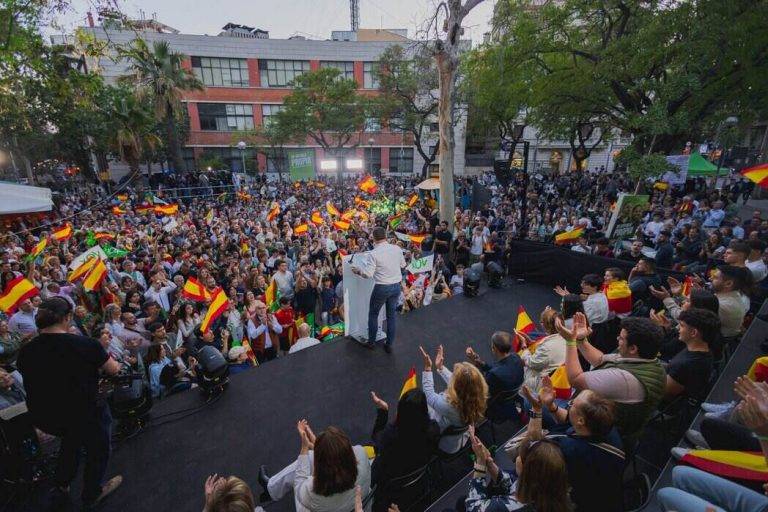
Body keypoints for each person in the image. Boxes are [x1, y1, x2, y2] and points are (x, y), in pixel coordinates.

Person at [16, 297, 123, 509]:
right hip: (85, 413)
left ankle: (62, 485)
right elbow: (113, 369)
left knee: (71, 442)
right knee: (98, 450)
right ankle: (92, 493)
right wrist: (100, 350)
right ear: (67, 318)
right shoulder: (86, 344)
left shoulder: (26, 350)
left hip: (47, 417)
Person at [557, 313, 666, 443]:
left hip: (605, 436)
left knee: (538, 401)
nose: (617, 338)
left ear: (633, 348)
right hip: (609, 422)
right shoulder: (646, 359)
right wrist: (581, 339)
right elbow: (600, 360)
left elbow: (575, 380)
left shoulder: (626, 380)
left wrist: (570, 342)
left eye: (621, 338)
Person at [523, 377, 624, 512]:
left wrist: (536, 408)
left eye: (571, 404)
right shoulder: (605, 425)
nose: (569, 405)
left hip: (576, 501)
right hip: (606, 489)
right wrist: (552, 406)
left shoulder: (566, 449)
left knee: (520, 463)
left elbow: (531, 447)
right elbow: (570, 420)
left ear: (581, 421)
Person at [257, 421, 371, 512]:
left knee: (306, 460)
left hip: (326, 505)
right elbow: (342, 454)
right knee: (311, 457)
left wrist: (304, 447)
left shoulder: (311, 492)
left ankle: (271, 489)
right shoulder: (361, 454)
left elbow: (299, 482)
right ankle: (271, 487)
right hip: (357, 505)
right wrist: (319, 449)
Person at [465, 426, 571, 512]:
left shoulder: (512, 506)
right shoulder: (551, 489)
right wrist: (489, 462)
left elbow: (473, 507)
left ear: (527, 470)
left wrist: (480, 464)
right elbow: (513, 484)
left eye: (520, 456)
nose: (517, 458)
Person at [368, 389, 439, 509]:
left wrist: (383, 412)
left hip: (389, 482)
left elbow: (376, 440)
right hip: (417, 478)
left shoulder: (390, 436)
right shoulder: (433, 430)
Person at [420, 345, 488, 453]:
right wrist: (440, 368)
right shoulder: (476, 397)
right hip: (460, 437)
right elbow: (459, 383)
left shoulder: (449, 407)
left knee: (421, 406)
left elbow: (429, 395)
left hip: (446, 445)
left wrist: (428, 368)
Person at [351, 227, 406, 353]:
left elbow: (368, 274)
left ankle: (371, 342)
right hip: (396, 286)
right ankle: (389, 344)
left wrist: (358, 271)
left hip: (382, 287)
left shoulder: (373, 253)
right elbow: (403, 265)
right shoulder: (397, 248)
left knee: (373, 314)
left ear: (374, 238)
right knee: (391, 316)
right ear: (385, 236)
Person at [465, 331, 524, 420]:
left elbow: (482, 389)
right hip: (514, 395)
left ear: (494, 348)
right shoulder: (516, 357)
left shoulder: (494, 375)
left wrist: (473, 367)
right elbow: (495, 368)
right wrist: (477, 360)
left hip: (498, 406)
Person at [663, 308, 718, 401]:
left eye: (682, 326)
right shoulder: (705, 349)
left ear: (693, 333)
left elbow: (665, 393)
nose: (679, 329)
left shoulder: (685, 365)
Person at [516, 307, 567, 393]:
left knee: (520, 369)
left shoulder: (546, 347)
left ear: (544, 325)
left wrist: (524, 346)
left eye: (541, 322)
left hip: (544, 384)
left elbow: (531, 363)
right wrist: (531, 342)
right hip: (559, 376)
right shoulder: (565, 337)